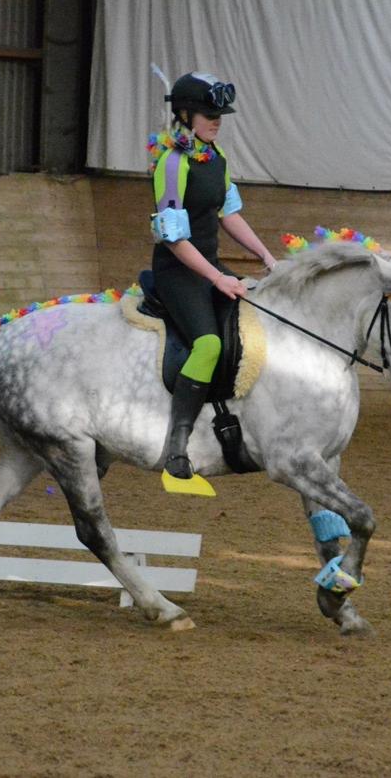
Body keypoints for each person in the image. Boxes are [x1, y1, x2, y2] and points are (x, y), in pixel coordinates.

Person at [148, 71, 278, 496]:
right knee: (208, 343)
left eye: (220, 115)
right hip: (178, 272)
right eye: (209, 114)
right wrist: (217, 276)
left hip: (210, 266)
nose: (217, 121)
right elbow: (174, 237)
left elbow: (229, 213)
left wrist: (265, 255)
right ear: (185, 115)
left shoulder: (215, 155)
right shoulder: (171, 163)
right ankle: (177, 447)